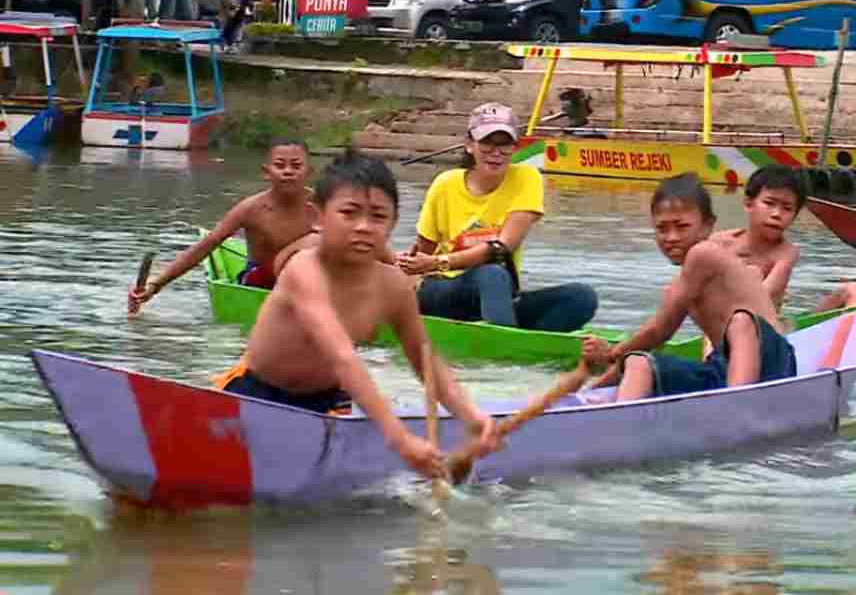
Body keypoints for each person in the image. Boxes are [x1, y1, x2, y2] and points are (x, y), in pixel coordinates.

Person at [212, 149, 498, 477]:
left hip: (328, 402)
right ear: (317, 217)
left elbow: (425, 360)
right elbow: (342, 357)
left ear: (392, 224)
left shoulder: (394, 286)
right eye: (349, 213)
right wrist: (401, 440)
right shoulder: (304, 269)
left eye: (378, 216)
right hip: (254, 391)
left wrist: (471, 417)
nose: (364, 227)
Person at [581, 173, 796, 402]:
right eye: (662, 229)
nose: (671, 237)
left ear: (707, 227)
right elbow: (653, 340)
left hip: (774, 363)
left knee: (741, 321)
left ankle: (734, 404)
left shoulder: (704, 253)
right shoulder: (679, 286)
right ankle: (618, 418)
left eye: (682, 227)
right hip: (724, 369)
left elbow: (660, 330)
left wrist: (611, 353)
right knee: (638, 361)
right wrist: (593, 388)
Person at [397, 103, 598, 332]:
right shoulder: (445, 183)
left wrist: (439, 261)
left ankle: (520, 344)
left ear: (515, 147)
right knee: (492, 274)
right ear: (470, 145)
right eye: (487, 144)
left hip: (498, 294)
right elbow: (423, 252)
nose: (496, 153)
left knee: (582, 297)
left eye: (504, 145)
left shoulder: (526, 177)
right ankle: (505, 343)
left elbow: (502, 247)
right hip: (444, 290)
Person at [128, 139, 316, 313]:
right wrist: (155, 285)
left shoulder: (324, 205)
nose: (288, 171)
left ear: (309, 172)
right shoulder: (251, 208)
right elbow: (207, 245)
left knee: (319, 239)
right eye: (280, 165)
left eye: (296, 166)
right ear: (266, 172)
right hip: (262, 282)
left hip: (310, 282)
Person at [708, 165, 856, 313]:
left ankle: (851, 339)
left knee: (855, 290)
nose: (777, 214)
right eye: (769, 203)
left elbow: (762, 299)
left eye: (787, 208)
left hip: (767, 329)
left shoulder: (785, 252)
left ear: (794, 216)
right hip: (722, 328)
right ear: (749, 204)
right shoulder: (719, 243)